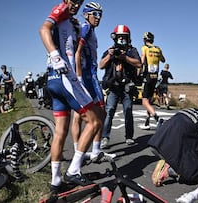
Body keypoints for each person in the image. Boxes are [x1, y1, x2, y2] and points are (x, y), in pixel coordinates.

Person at [39, 0, 103, 194]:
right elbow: (43, 29)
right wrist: (56, 56)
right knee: (96, 120)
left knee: (60, 132)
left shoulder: (72, 21)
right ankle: (74, 170)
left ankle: (56, 181)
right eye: (73, 0)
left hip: (53, 79)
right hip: (65, 77)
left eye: (79, 2)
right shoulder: (62, 9)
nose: (75, 4)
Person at [70, 2, 114, 161]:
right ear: (86, 14)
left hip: (89, 73)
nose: (98, 18)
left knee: (83, 114)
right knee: (99, 112)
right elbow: (77, 53)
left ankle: (87, 151)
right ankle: (91, 151)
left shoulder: (90, 29)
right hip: (88, 75)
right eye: (95, 14)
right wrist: (79, 77)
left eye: (100, 15)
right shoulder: (86, 28)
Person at [148, 104, 198, 187]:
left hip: (156, 143)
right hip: (170, 152)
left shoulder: (190, 111)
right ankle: (169, 170)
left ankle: (170, 163)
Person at [99, 24, 142, 149]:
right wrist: (110, 55)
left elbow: (139, 63)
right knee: (109, 111)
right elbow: (101, 65)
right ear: (114, 38)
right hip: (113, 86)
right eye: (119, 37)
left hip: (127, 86)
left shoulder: (131, 51)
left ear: (128, 38)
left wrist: (124, 57)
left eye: (124, 37)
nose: (121, 39)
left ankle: (129, 136)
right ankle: (105, 137)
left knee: (128, 111)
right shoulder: (110, 51)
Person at [140, 31, 166, 130]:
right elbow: (163, 60)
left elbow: (142, 60)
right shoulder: (158, 49)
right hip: (155, 76)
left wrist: (138, 71)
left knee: (144, 101)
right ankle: (147, 123)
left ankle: (157, 118)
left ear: (145, 40)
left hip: (147, 76)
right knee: (149, 101)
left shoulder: (144, 48)